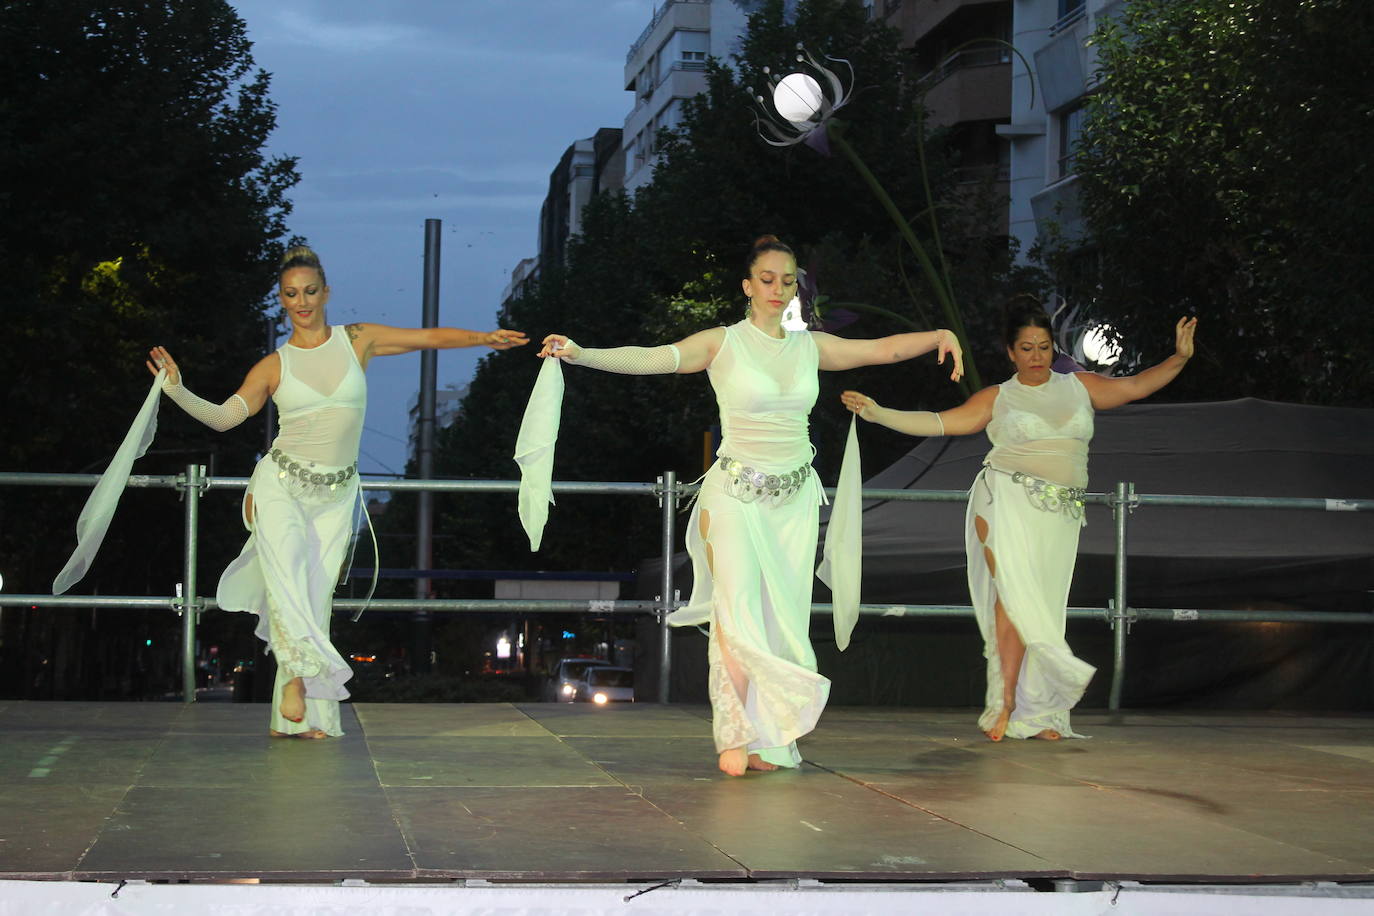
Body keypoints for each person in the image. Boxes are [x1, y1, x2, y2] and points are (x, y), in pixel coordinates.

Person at [536, 235, 964, 775]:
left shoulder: (810, 345)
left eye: (788, 281)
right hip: (734, 496)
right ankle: (734, 733)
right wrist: (580, 353)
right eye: (767, 279)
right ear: (747, 285)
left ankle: (769, 739)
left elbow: (882, 349)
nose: (777, 289)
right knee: (737, 616)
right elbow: (656, 359)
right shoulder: (722, 342)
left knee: (779, 621)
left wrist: (940, 335)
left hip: (793, 503)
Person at [146, 246, 527, 738]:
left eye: (309, 291)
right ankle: (297, 685)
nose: (301, 301)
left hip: (336, 495)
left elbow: (427, 338)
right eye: (290, 294)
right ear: (281, 301)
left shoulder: (358, 340)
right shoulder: (273, 366)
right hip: (280, 486)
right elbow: (224, 417)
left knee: (315, 598)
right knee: (287, 587)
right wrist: (176, 389)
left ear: (326, 293)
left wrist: (485, 338)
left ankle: (300, 721)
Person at [842, 309, 1197, 741]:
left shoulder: (1079, 387)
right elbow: (942, 422)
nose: (1036, 356)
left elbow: (1136, 385)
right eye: (1026, 348)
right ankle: (1003, 702)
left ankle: (1038, 711)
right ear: (1012, 353)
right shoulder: (999, 397)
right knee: (1011, 597)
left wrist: (1178, 358)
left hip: (1060, 515)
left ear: (1054, 349)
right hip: (1005, 499)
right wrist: (882, 414)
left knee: (1043, 607)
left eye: (1044, 347)